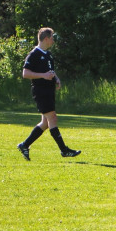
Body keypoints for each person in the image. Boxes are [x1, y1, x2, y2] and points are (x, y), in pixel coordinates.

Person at [17, 27, 81, 160]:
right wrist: (43, 76)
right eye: (52, 38)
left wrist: (56, 78)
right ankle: (64, 150)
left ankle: (24, 145)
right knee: (53, 118)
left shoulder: (49, 54)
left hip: (49, 90)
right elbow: (25, 73)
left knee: (45, 123)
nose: (53, 41)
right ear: (46, 39)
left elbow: (50, 71)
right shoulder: (34, 54)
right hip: (40, 91)